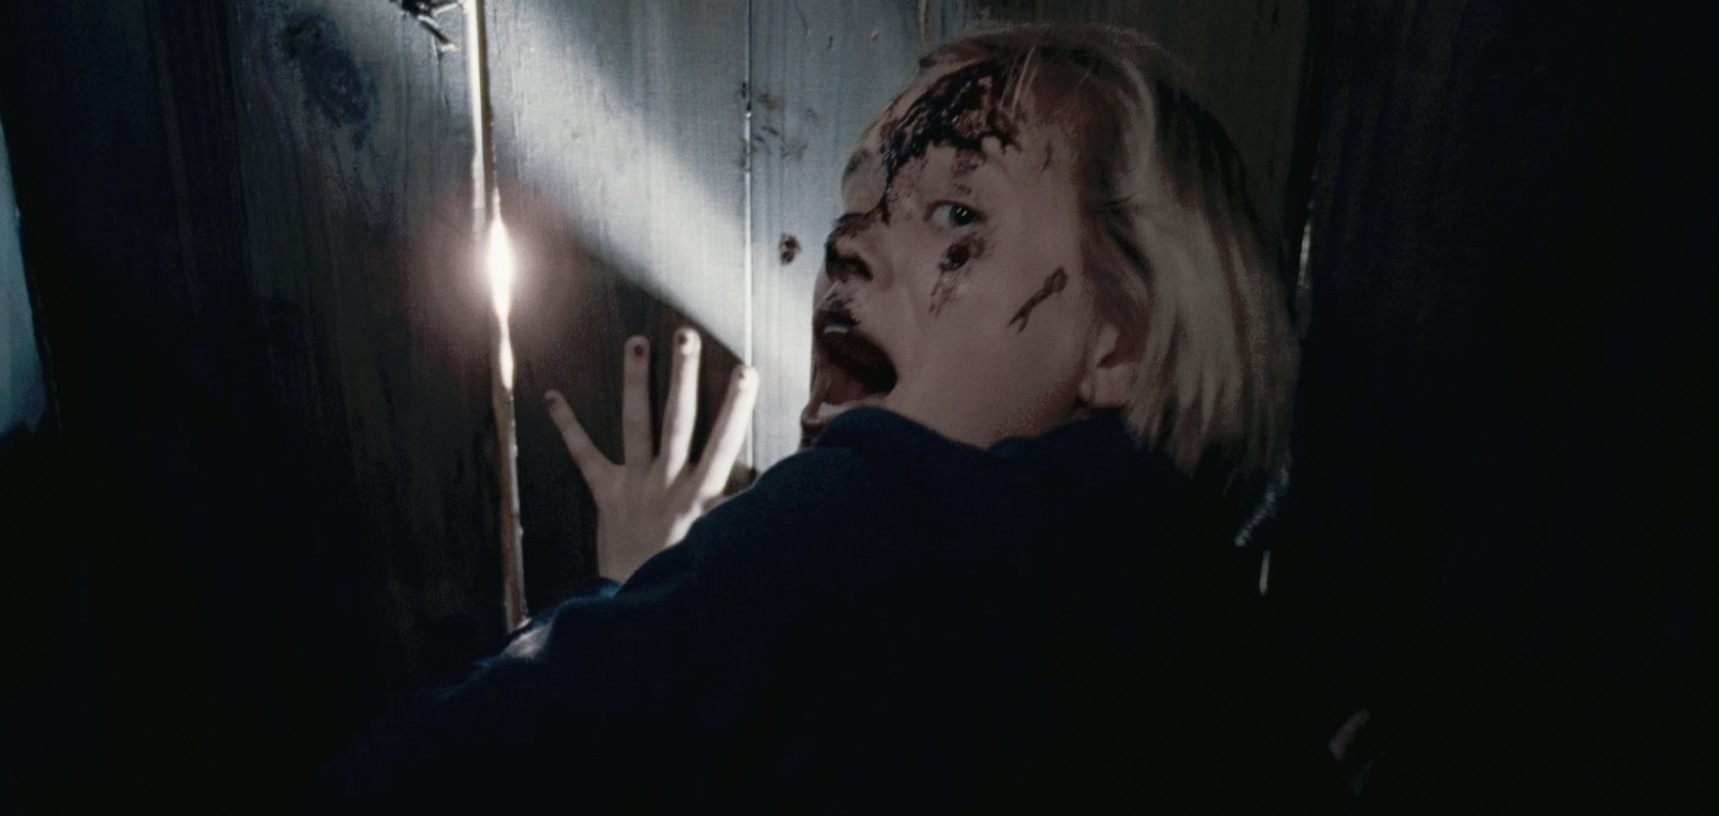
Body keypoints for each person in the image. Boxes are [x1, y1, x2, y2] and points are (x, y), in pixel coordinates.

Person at [309, 24, 1334, 813]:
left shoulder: (856, 527)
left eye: (957, 214)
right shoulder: (1236, 665)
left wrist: (650, 600)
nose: (847, 241)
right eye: (862, 200)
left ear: (1119, 340)